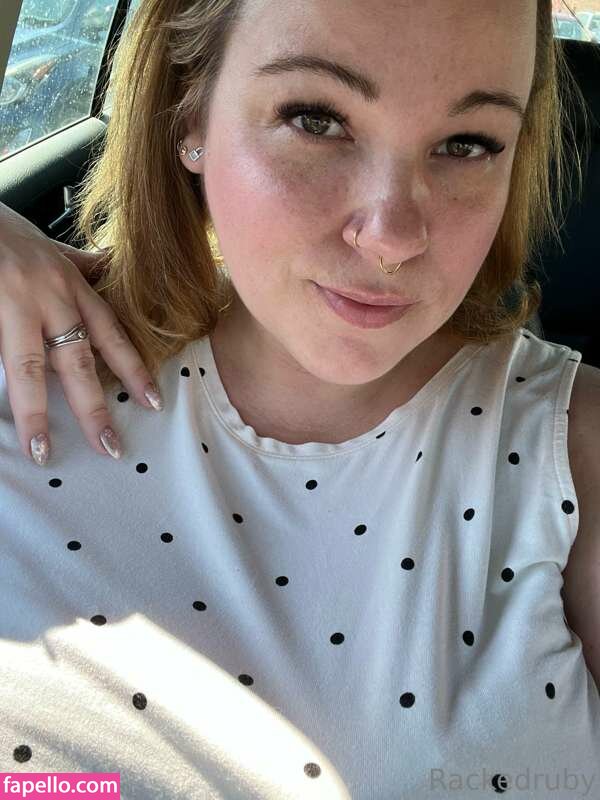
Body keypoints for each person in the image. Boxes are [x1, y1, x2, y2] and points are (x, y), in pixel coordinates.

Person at [0, 0, 599, 797]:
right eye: (316, 120)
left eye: (468, 144)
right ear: (190, 112)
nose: (392, 236)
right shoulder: (26, 362)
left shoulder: (573, 447)